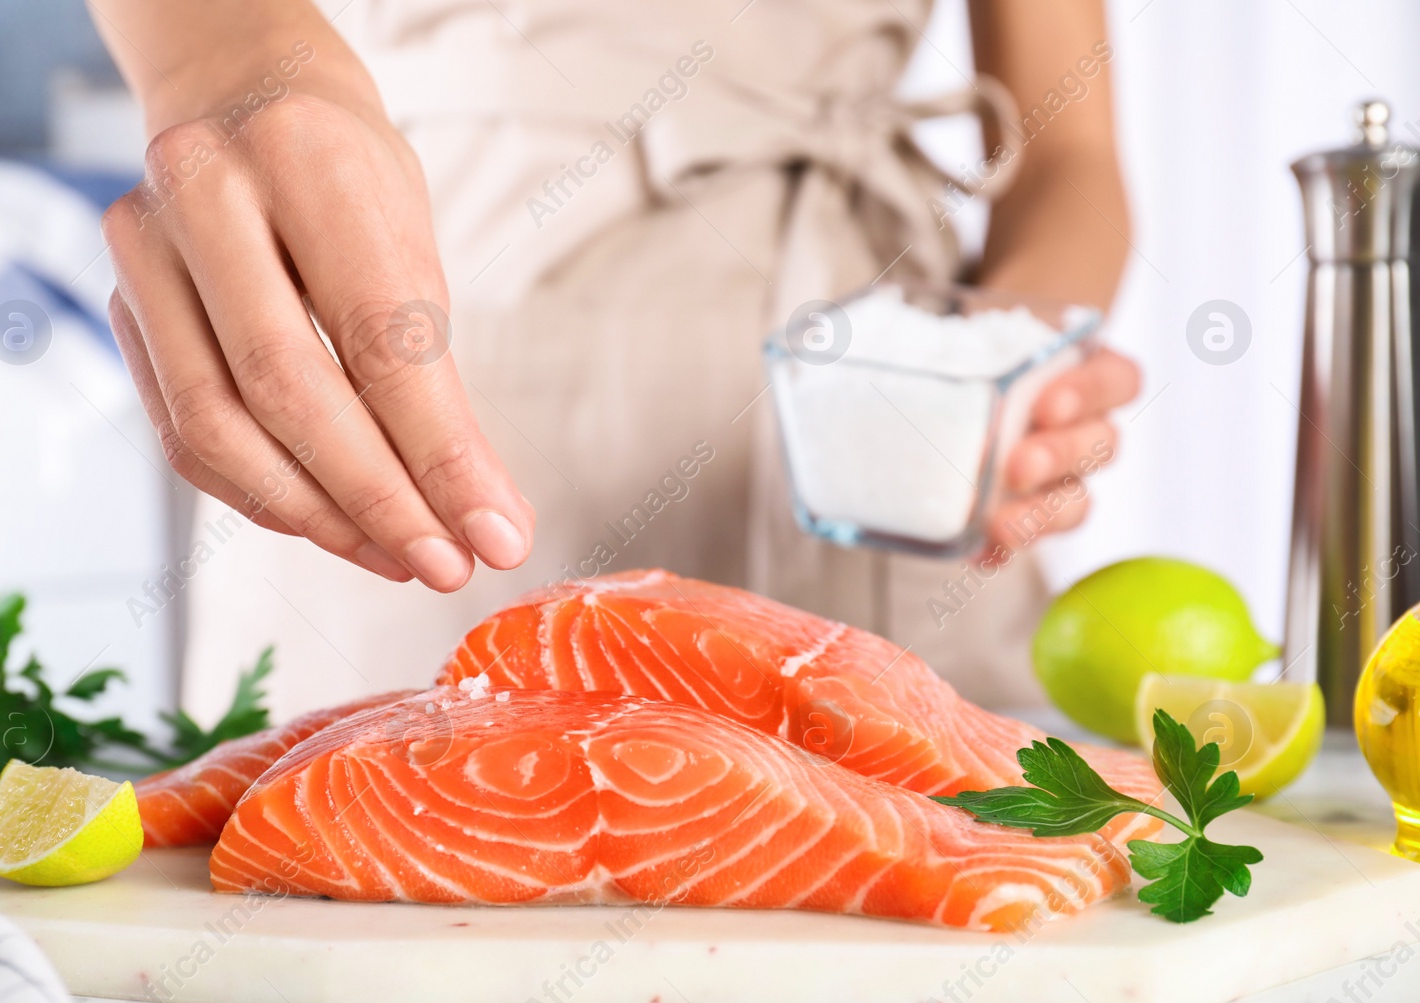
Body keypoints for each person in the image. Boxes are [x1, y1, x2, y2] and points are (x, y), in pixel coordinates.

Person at [88, 0, 1140, 716]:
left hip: (877, 462)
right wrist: (222, 67)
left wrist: (999, 379)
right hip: (422, 354)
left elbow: (1071, 159)